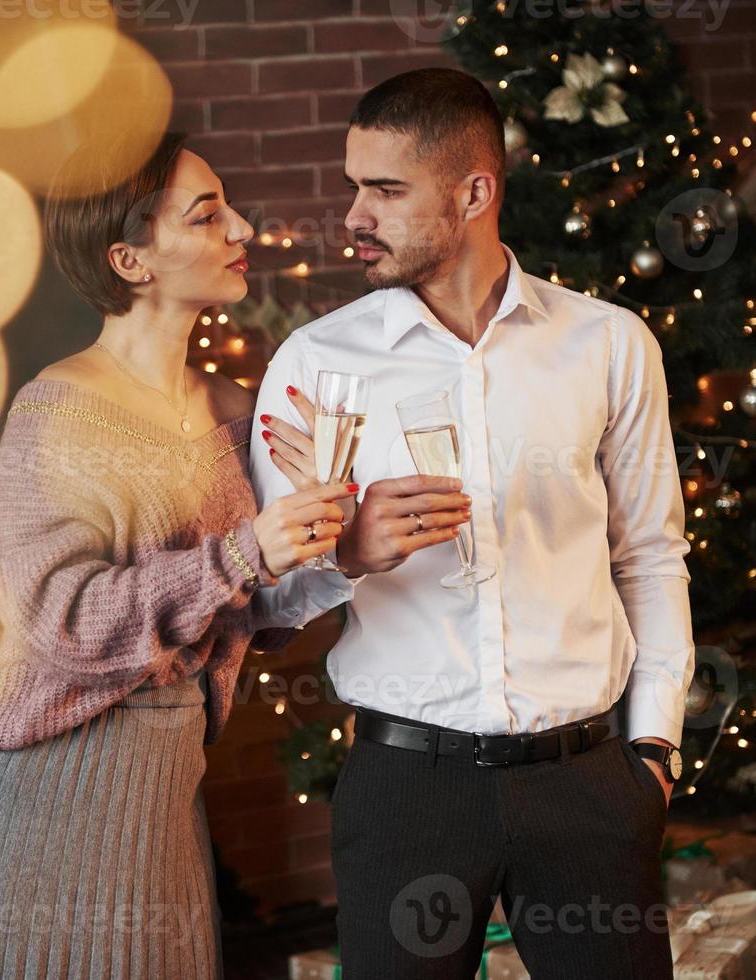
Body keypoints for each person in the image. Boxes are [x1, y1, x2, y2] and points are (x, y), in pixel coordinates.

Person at [251, 68, 694, 979]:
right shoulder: (317, 363)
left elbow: (651, 555)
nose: (354, 216)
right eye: (353, 188)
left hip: (586, 786)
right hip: (405, 789)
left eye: (385, 190)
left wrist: (652, 749)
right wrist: (349, 555)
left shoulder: (607, 344)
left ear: (474, 192)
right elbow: (269, 605)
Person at [0, 132, 354, 980]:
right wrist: (244, 552)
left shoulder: (233, 414)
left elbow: (248, 611)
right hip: (31, 805)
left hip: (158, 799)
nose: (245, 229)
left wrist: (337, 545)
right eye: (207, 214)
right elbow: (59, 621)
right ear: (131, 259)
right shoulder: (59, 413)